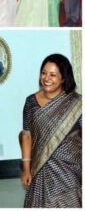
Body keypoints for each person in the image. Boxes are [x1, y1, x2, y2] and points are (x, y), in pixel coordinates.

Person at [20, 54, 82, 207]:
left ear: (63, 78)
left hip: (70, 169)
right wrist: (26, 169)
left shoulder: (76, 103)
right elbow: (27, 135)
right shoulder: (31, 102)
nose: (46, 78)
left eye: (53, 74)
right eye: (43, 73)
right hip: (41, 168)